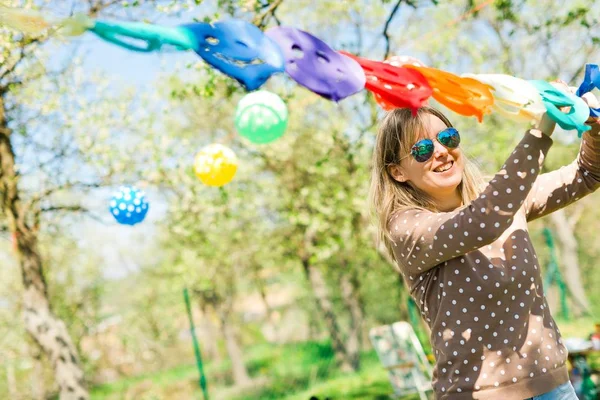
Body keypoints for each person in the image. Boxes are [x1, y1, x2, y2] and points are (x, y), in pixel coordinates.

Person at [369, 82, 600, 399]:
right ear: (397, 172)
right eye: (421, 149)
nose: (440, 151)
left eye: (448, 138)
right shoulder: (407, 228)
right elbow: (483, 221)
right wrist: (543, 126)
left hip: (554, 389)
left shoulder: (501, 196)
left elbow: (587, 173)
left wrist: (594, 127)